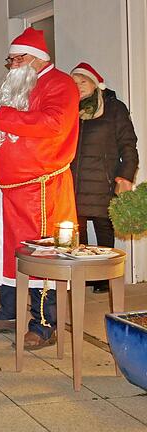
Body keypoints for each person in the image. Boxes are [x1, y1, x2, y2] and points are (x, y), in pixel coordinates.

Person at [0, 28, 79, 350]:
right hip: (11, 192)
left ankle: (44, 326)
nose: (13, 65)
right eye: (11, 59)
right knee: (8, 255)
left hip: (40, 192)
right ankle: (9, 313)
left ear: (37, 59)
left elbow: (52, 124)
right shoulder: (23, 84)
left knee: (40, 256)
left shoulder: (60, 84)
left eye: (19, 59)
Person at [69, 62, 139, 293]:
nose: (78, 86)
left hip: (103, 181)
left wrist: (125, 176)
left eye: (83, 81)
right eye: (74, 82)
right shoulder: (69, 109)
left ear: (95, 83)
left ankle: (102, 278)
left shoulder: (114, 108)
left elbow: (128, 145)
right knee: (75, 233)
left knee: (103, 232)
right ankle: (80, 275)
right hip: (73, 181)